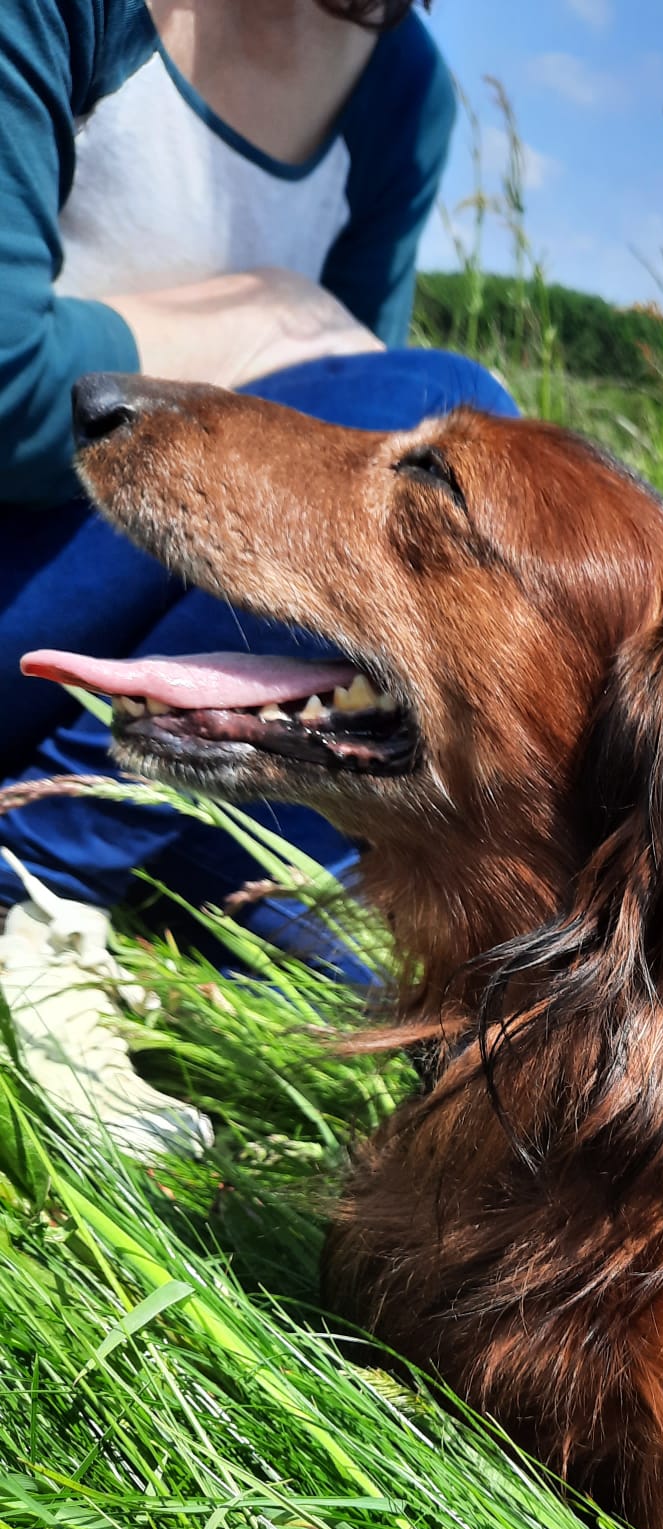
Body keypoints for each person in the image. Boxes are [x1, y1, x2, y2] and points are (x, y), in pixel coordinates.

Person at [0, 0, 518, 1155]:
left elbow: (332, 539)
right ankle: (38, 871)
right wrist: (254, 322)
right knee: (437, 406)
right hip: (23, 575)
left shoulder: (402, 91)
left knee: (370, 983)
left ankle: (153, 856)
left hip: (153, 646)